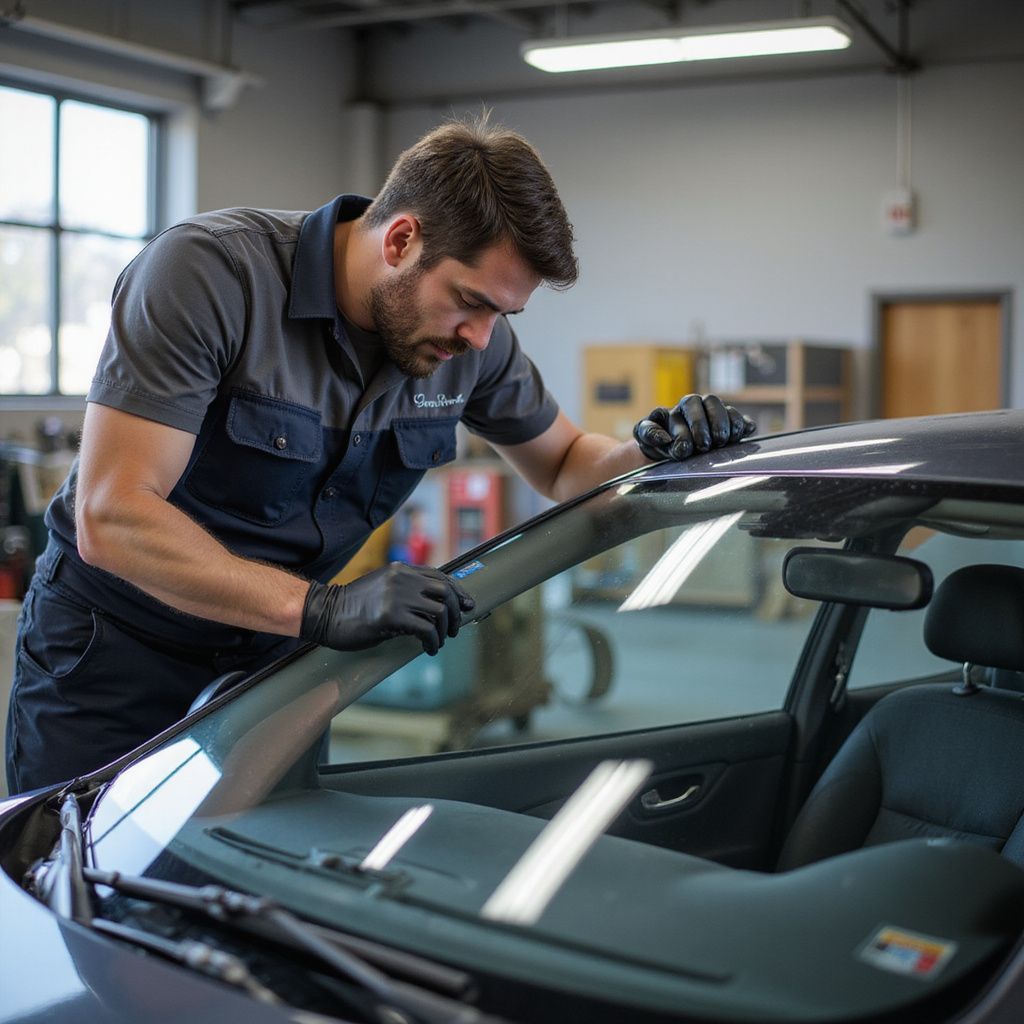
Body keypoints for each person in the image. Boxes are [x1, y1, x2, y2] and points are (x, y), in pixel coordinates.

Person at [4, 116, 753, 794]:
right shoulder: (211, 275)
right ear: (400, 240)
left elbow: (563, 466)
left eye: (503, 313)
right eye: (471, 301)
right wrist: (320, 606)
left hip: (278, 667)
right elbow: (114, 515)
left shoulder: (469, 344)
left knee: (254, 890)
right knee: (69, 888)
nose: (481, 338)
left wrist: (652, 447)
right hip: (115, 655)